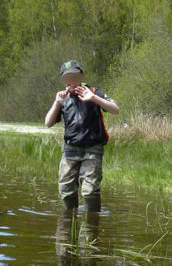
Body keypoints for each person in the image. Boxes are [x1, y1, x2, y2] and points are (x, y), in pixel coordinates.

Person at [44, 60, 119, 222]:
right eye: (67, 78)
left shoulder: (93, 92)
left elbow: (115, 109)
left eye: (75, 76)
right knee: (66, 189)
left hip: (93, 149)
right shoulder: (62, 98)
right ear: (63, 81)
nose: (71, 80)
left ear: (82, 76)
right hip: (70, 150)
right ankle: (68, 222)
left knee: (90, 191)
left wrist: (94, 98)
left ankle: (92, 225)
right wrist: (57, 103)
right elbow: (48, 123)